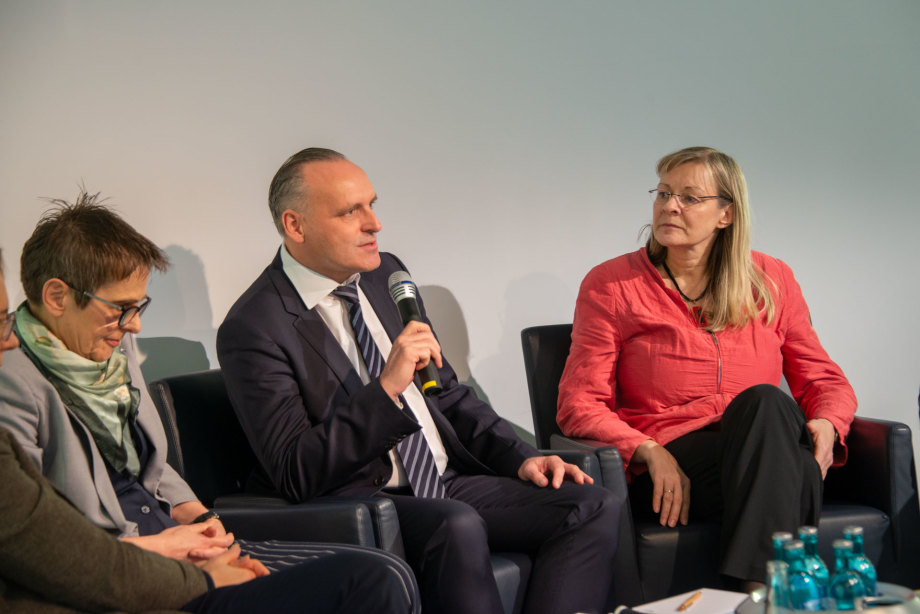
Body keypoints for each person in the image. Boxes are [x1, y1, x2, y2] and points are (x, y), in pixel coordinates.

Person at [217, 147, 621, 614]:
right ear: (295, 225)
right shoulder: (255, 326)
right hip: (363, 500)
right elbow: (295, 471)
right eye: (352, 211)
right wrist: (385, 389)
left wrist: (522, 459)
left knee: (593, 505)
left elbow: (446, 393)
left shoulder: (385, 274)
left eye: (372, 204)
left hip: (444, 479)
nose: (375, 224)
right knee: (457, 523)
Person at [0, 216, 419, 613]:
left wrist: (205, 522)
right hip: (127, 561)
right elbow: (46, 545)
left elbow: (153, 466)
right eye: (119, 308)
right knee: (372, 579)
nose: (134, 328)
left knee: (385, 570)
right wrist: (180, 557)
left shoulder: (110, 345)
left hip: (172, 537)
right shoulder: (13, 381)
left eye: (138, 307)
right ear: (57, 297)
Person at [556, 146, 857, 588]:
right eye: (663, 193)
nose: (669, 206)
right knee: (796, 466)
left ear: (726, 215)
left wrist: (830, 422)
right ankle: (774, 593)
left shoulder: (771, 280)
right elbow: (578, 403)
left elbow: (824, 379)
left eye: (689, 197)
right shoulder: (613, 285)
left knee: (767, 404)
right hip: (675, 464)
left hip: (760, 445)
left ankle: (760, 592)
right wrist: (646, 450)